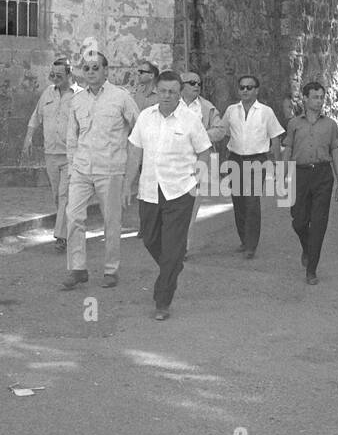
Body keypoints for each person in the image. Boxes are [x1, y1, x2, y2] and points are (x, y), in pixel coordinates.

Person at [124, 71, 212, 320]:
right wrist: (126, 185)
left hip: (180, 191)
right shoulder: (145, 117)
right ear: (157, 90)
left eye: (172, 92)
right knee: (150, 239)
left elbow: (204, 151)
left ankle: (162, 300)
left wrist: (198, 179)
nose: (166, 96)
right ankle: (172, 266)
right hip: (150, 190)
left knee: (173, 248)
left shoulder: (190, 119)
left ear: (179, 92)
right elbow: (134, 153)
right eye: (162, 91)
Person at [63, 51, 140, 290]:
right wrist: (72, 167)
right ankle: (77, 268)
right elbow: (71, 137)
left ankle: (111, 269)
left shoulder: (121, 98)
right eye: (86, 68)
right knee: (73, 217)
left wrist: (130, 171)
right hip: (82, 169)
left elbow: (138, 131)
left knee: (111, 220)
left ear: (106, 71)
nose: (91, 72)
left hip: (110, 168)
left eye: (96, 68)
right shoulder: (77, 100)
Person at [281, 80, 338, 284]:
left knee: (319, 223)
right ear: (305, 99)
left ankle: (312, 269)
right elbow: (288, 150)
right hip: (299, 175)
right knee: (298, 220)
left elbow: (335, 152)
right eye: (315, 97)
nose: (319, 101)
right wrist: (283, 176)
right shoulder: (294, 124)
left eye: (322, 97)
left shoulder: (330, 125)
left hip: (322, 175)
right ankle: (307, 247)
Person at [221, 74, 284, 259]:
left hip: (257, 161)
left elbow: (275, 137)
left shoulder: (266, 112)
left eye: (249, 87)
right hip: (235, 159)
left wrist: (277, 165)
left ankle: (251, 245)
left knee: (252, 203)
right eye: (242, 87)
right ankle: (244, 239)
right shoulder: (231, 110)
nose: (245, 90)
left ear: (257, 90)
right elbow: (223, 133)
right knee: (238, 202)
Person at [25, 57, 76, 253]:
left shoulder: (79, 96)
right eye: (52, 75)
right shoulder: (48, 92)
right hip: (51, 153)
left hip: (71, 155)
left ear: (70, 75)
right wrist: (28, 137)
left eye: (59, 76)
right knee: (57, 195)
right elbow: (36, 116)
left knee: (65, 195)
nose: (54, 79)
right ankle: (70, 227)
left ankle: (61, 237)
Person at [180, 70, 228, 257]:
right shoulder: (171, 105)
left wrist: (199, 136)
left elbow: (220, 130)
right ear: (181, 86)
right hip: (173, 162)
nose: (196, 86)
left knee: (191, 206)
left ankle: (182, 247)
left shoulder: (207, 107)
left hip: (199, 162)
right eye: (192, 83)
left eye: (198, 83)